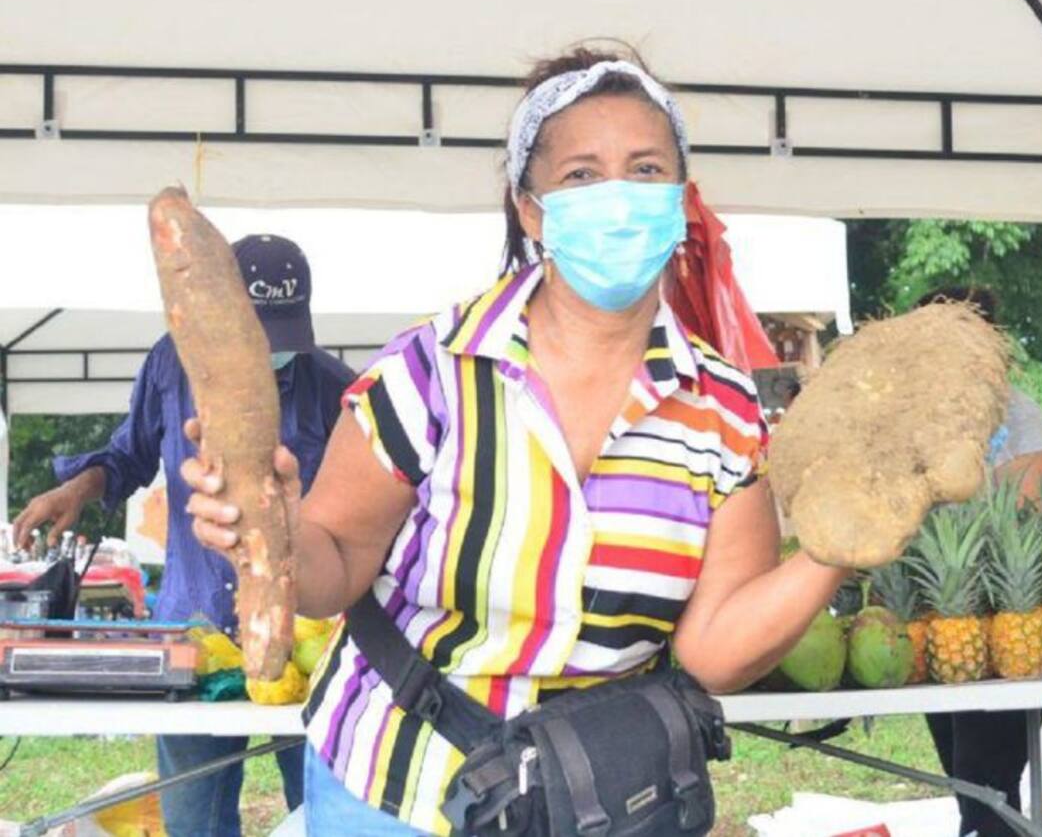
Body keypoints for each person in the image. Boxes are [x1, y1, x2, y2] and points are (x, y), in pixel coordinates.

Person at [184, 48, 851, 836]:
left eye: (645, 169)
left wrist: (841, 546)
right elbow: (333, 572)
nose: (618, 196)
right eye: (580, 175)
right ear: (531, 210)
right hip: (396, 789)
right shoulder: (428, 374)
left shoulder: (725, 415)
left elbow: (712, 655)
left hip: (598, 799)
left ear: (680, 201)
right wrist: (280, 532)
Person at [13, 234, 355, 837]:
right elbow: (127, 457)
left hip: (310, 638)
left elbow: (359, 522)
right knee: (194, 819)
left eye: (283, 336)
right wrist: (76, 490)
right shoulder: (171, 365)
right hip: (195, 630)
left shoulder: (336, 388)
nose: (270, 353)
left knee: (323, 815)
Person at [919, 285, 1042, 837]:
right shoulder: (914, 425)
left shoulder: (1020, 417)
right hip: (941, 624)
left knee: (987, 785)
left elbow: (1027, 510)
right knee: (970, 784)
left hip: (1011, 625)